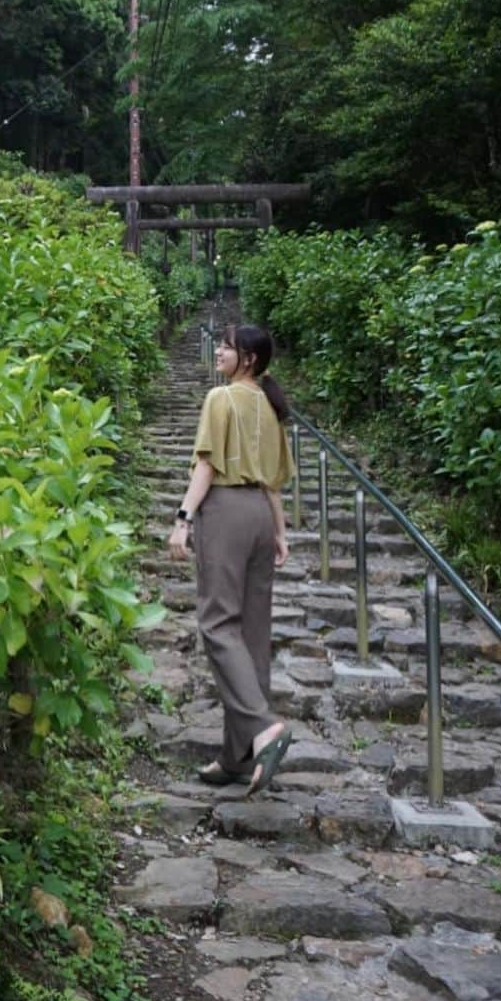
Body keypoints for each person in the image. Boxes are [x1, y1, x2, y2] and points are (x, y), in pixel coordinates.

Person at [168, 323, 295, 795]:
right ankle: (238, 756)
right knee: (251, 632)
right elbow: (273, 482)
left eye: (226, 346)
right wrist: (279, 532)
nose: (219, 351)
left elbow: (207, 464)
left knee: (218, 624)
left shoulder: (221, 399)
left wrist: (183, 517)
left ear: (247, 359)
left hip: (225, 510)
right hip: (260, 516)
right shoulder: (269, 404)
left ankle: (263, 727)